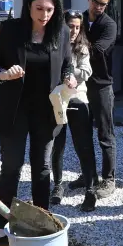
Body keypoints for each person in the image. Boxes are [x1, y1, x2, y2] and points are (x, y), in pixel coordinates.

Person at [0, 0, 75, 235]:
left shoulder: (62, 31)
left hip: (46, 111)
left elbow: (67, 64)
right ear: (28, 7)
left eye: (49, 9)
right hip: (13, 110)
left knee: (42, 167)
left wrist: (69, 78)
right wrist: (3, 74)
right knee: (12, 165)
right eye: (39, 8)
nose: (44, 14)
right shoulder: (12, 29)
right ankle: (4, 222)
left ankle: (42, 221)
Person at [50, 11, 99, 211]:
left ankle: (90, 189)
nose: (74, 30)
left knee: (84, 145)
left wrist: (67, 72)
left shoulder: (82, 47)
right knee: (57, 144)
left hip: (78, 99)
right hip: (57, 100)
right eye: (71, 26)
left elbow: (87, 72)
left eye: (78, 27)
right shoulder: (54, 44)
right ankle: (57, 185)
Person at [78, 0, 119, 198]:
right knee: (82, 133)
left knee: (105, 133)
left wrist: (77, 47)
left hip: (101, 84)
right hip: (80, 85)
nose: (99, 7)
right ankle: (88, 175)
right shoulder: (79, 20)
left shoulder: (109, 25)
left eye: (103, 4)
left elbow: (98, 50)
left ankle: (109, 178)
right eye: (96, 2)